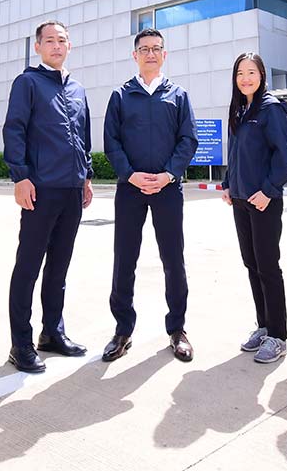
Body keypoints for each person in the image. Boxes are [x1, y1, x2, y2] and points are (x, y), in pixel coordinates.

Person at [101, 28, 199, 363]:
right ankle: (122, 330)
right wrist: (130, 174)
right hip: (130, 191)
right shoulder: (121, 95)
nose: (151, 54)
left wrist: (168, 174)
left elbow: (188, 140)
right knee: (124, 260)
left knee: (173, 260)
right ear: (135, 55)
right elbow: (111, 142)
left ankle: (177, 329)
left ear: (165, 55)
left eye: (157, 49)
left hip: (168, 190)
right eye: (145, 49)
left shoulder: (178, 94)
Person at [3, 20, 94, 373]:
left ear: (69, 46)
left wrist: (85, 176)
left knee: (59, 266)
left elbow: (83, 137)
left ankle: (52, 333)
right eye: (50, 41)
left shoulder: (76, 88)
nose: (56, 46)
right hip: (40, 190)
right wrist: (21, 177)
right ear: (38, 47)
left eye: (62, 41)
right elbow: (15, 130)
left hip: (72, 190)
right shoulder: (28, 83)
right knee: (28, 266)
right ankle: (20, 343)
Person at [220, 52, 287, 364]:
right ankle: (263, 326)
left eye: (251, 72)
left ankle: (278, 335)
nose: (245, 78)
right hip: (239, 199)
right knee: (251, 265)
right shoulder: (238, 109)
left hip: (263, 201)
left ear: (262, 75)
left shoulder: (270, 107)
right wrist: (227, 184)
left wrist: (268, 190)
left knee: (268, 267)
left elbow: (283, 158)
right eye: (240, 73)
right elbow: (234, 151)